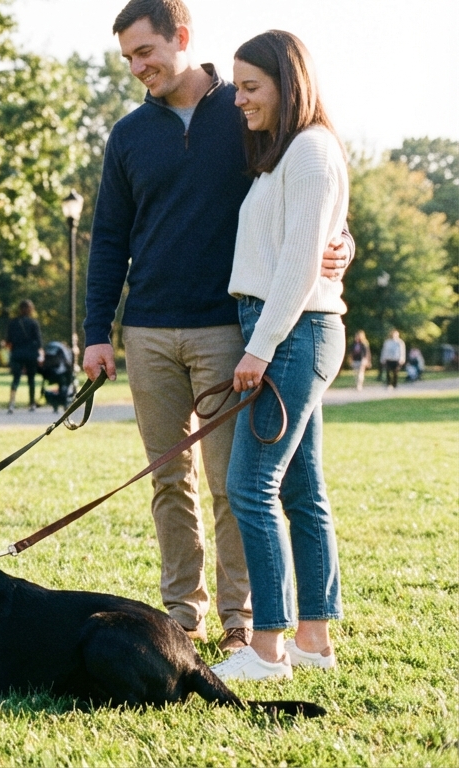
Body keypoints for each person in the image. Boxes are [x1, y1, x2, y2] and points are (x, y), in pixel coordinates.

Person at [84, 0, 353, 654]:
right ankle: (184, 614)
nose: (137, 68)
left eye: (145, 52)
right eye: (127, 59)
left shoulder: (248, 109)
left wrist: (343, 240)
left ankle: (241, 619)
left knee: (234, 485)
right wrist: (97, 330)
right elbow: (108, 238)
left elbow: (308, 201)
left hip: (231, 330)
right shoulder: (127, 134)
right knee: (167, 482)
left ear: (181, 36)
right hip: (147, 330)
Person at [209, 29, 349, 682]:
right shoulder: (287, 154)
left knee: (250, 486)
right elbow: (306, 246)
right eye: (236, 86)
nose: (239, 99)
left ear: (287, 84)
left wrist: (259, 348)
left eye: (250, 87)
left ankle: (266, 651)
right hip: (289, 327)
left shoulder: (313, 151)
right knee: (300, 488)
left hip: (291, 331)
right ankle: (313, 641)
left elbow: (298, 263)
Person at [5, 300, 43, 413]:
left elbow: (8, 341)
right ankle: (31, 403)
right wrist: (40, 355)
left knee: (16, 379)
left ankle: (11, 403)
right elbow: (39, 342)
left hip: (17, 354)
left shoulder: (13, 323)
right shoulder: (34, 323)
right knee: (31, 379)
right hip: (31, 354)